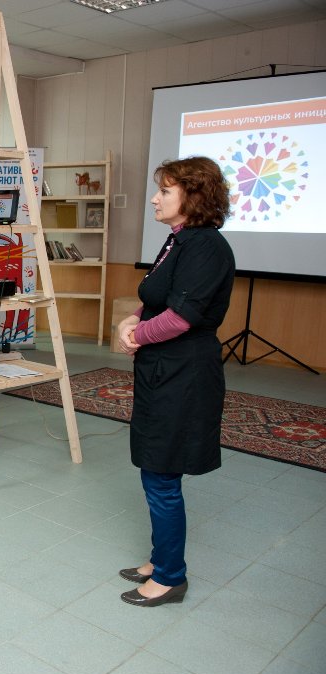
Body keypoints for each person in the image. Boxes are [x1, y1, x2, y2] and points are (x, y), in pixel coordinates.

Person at [116, 156, 235, 607]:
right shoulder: (180, 239)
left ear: (193, 195)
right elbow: (158, 298)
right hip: (163, 370)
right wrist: (133, 319)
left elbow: (182, 317)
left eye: (165, 190)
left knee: (162, 475)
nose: (154, 198)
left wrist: (136, 337)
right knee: (155, 467)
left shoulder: (206, 247)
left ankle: (170, 577)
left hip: (185, 374)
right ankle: (160, 558)